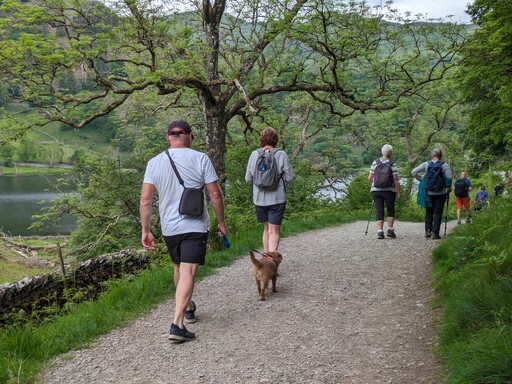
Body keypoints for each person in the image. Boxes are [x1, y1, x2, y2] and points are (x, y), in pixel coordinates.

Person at [139, 120, 227, 343]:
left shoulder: (154, 162)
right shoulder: (200, 158)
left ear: (168, 137)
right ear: (189, 136)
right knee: (188, 271)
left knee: (178, 267)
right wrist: (221, 222)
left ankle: (187, 307)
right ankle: (177, 324)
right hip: (194, 224)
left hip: (169, 228)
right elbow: (215, 195)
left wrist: (146, 230)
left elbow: (146, 200)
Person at [245, 127, 295, 252]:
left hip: (259, 199)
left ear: (261, 139)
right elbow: (290, 178)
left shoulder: (254, 154)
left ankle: (265, 259)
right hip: (277, 198)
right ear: (275, 139)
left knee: (266, 229)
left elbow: (248, 179)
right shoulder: (281, 154)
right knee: (274, 230)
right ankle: (271, 263)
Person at [411, 148, 452, 240]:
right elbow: (449, 178)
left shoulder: (426, 164)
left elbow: (413, 172)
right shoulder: (444, 165)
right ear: (440, 156)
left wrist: (421, 180)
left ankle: (428, 231)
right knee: (438, 212)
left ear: (432, 155)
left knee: (429, 211)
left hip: (428, 192)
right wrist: (448, 187)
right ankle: (435, 233)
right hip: (440, 193)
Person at [368, 144, 401, 239]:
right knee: (390, 209)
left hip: (375, 190)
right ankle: (390, 230)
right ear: (390, 153)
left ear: (382, 152)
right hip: (389, 190)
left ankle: (380, 232)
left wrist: (375, 185)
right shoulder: (392, 163)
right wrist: (398, 192)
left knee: (379, 210)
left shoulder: (375, 162)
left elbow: (370, 177)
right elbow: (395, 179)